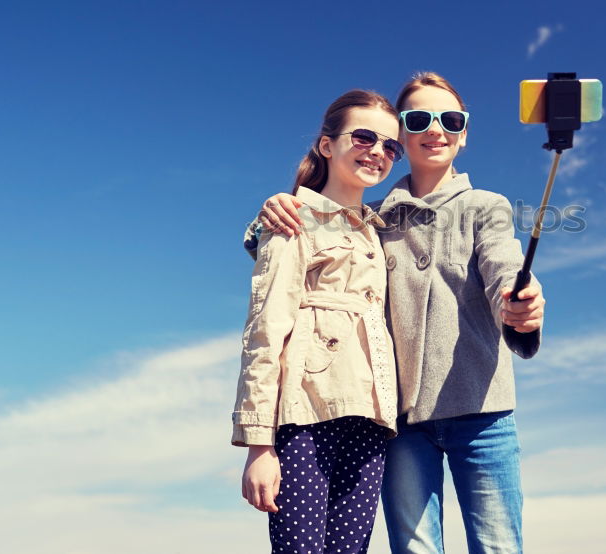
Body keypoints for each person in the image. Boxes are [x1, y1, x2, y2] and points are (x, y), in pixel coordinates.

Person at [251, 72, 545, 554]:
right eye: (419, 119)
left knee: (497, 547)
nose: (436, 129)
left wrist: (524, 303)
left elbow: (505, 271)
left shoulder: (486, 207)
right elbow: (305, 241)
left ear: (464, 133)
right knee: (415, 549)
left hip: (484, 411)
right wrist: (270, 211)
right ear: (402, 135)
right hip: (401, 421)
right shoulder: (374, 215)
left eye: (451, 119)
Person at [232, 89, 406, 554]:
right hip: (304, 420)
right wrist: (258, 446)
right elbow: (264, 333)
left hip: (372, 422)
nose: (379, 152)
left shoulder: (381, 230)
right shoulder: (292, 219)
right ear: (326, 145)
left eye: (391, 146)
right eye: (365, 137)